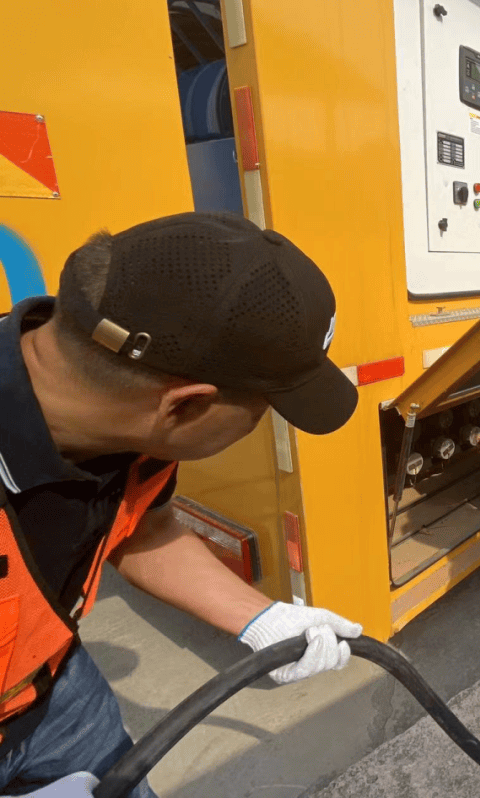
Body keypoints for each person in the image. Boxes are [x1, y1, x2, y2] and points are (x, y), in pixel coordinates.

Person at [0, 213, 364, 797]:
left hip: (57, 688)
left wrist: (260, 617)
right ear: (186, 407)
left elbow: (138, 528)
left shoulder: (128, 428)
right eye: (266, 406)